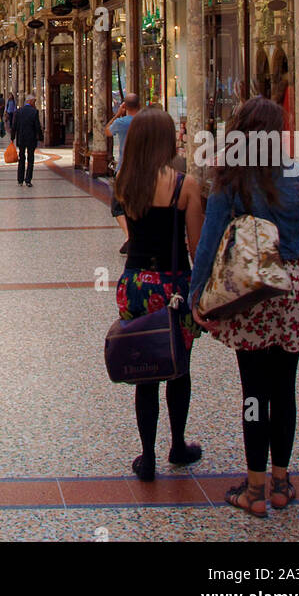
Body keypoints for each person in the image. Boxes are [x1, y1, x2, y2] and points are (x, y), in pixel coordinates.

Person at [190, 96, 299, 517]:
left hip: (251, 289)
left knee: (254, 392)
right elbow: (298, 224)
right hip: (293, 286)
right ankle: (282, 482)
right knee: (286, 388)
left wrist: (198, 297)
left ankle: (253, 488)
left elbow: (211, 241)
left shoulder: (230, 179)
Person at [115, 107, 205, 482]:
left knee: (144, 367)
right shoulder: (186, 185)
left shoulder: (123, 182)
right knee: (177, 366)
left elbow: (130, 235)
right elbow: (197, 247)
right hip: (172, 285)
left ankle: (147, 456)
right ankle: (178, 444)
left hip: (135, 283)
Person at [105, 93, 141, 256]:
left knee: (117, 205)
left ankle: (130, 236)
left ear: (125, 106)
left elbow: (107, 132)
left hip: (124, 170)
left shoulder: (121, 122)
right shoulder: (145, 122)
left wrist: (118, 114)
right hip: (144, 169)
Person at [12, 92, 43, 186]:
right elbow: (37, 126)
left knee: (21, 158)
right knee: (30, 159)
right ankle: (28, 180)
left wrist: (12, 137)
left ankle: (20, 179)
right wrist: (40, 136)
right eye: (34, 101)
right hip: (31, 138)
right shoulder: (34, 111)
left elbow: (14, 125)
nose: (35, 103)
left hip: (21, 138)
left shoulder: (18, 111)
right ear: (30, 101)